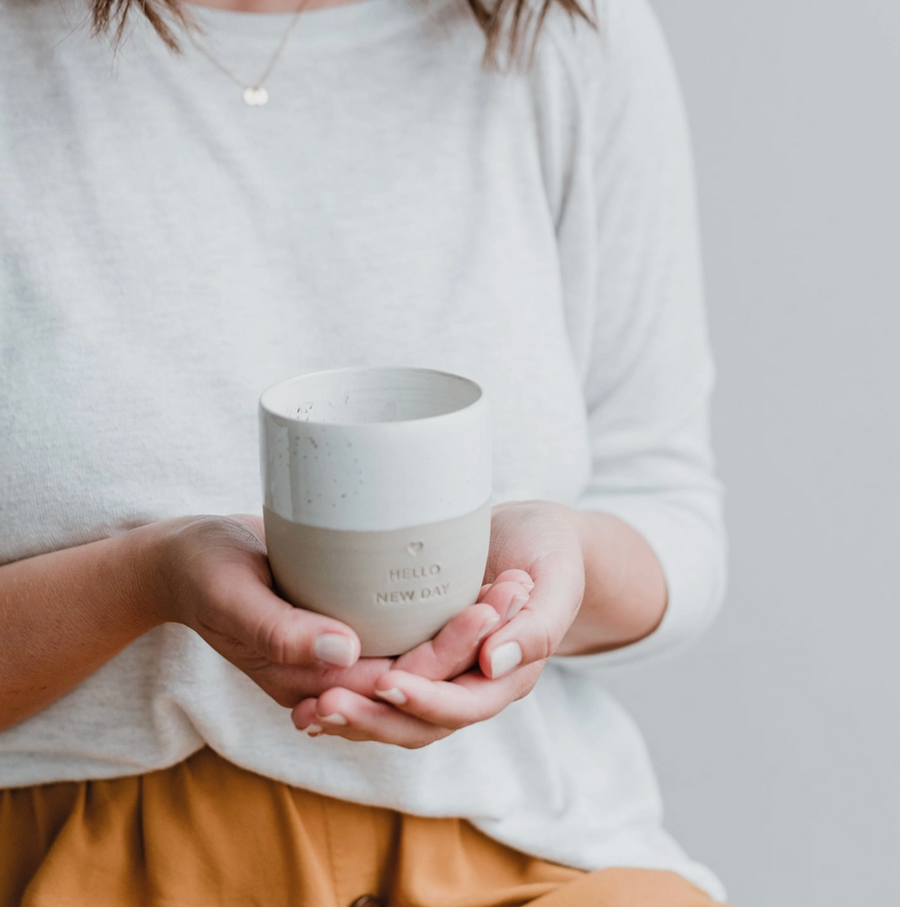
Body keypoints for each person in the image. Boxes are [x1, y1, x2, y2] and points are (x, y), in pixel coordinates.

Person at [0, 0, 731, 903]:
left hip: (527, 850)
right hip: (72, 859)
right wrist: (144, 580)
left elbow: (666, 499)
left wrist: (561, 559)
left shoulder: (563, 31)